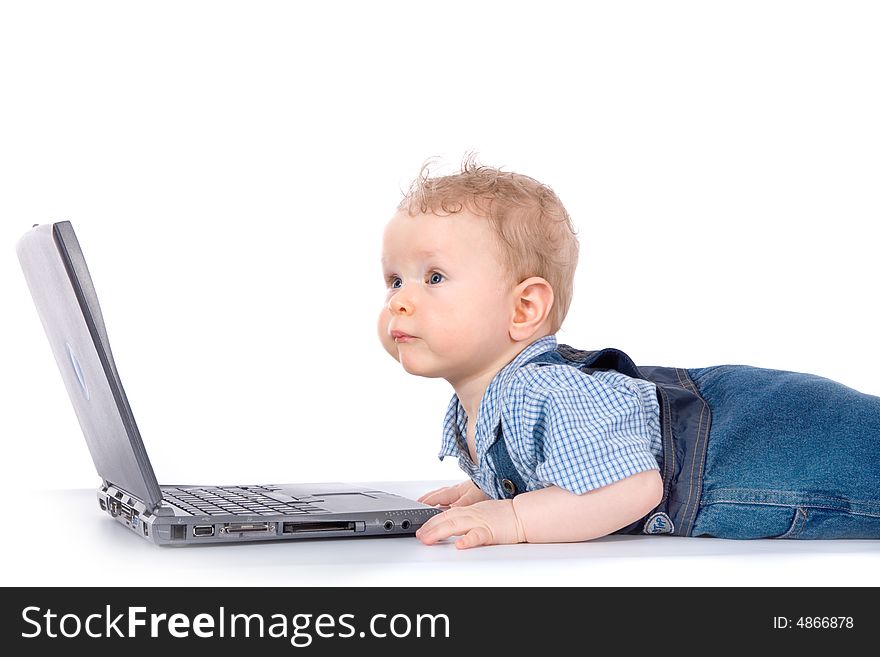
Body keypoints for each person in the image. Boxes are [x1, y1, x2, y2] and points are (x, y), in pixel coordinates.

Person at [377, 155, 880, 549]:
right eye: (394, 280)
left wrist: (513, 518)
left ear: (525, 307)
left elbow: (634, 488)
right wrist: (499, 488)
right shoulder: (486, 401)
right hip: (749, 428)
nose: (400, 299)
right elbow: (565, 462)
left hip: (768, 444)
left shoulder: (542, 388)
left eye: (434, 277)